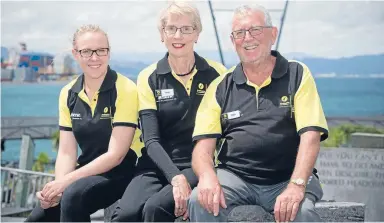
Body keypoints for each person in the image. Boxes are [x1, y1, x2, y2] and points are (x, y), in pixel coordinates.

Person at [188, 4, 328, 222]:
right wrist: (206, 177)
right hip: (236, 177)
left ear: (273, 34)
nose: (247, 38)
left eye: (255, 30)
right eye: (239, 33)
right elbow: (202, 149)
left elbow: (311, 136)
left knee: (305, 213)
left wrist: (296, 184)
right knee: (200, 200)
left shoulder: (297, 74)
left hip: (288, 176)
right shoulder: (220, 86)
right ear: (233, 41)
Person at [111, 1, 227, 222]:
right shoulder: (149, 76)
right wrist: (175, 177)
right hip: (155, 163)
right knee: (124, 215)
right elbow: (151, 139)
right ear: (162, 34)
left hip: (197, 164)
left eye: (186, 29)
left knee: (156, 208)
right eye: (171, 28)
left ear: (197, 34)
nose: (178, 35)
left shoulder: (218, 74)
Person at [25, 24, 143, 222]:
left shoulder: (125, 89)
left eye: (101, 51)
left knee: (73, 195)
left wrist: (65, 184)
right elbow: (66, 152)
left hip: (125, 171)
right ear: (76, 54)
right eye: (87, 51)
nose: (94, 58)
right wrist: (56, 189)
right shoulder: (68, 93)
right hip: (88, 171)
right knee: (38, 217)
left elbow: (116, 154)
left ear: (109, 52)